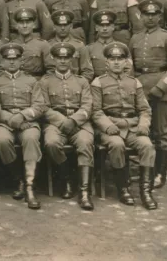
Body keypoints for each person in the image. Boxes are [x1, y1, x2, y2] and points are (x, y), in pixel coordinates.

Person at [91, 42, 157, 210]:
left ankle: (146, 191)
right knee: (117, 144)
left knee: (147, 146)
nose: (116, 62)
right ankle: (123, 188)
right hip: (111, 127)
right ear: (106, 62)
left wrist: (144, 125)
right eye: (112, 59)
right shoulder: (98, 83)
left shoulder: (135, 83)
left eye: (120, 58)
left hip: (134, 127)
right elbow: (96, 111)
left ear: (126, 62)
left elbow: (144, 109)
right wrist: (106, 126)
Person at [129, 0, 167, 189]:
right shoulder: (135, 38)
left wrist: (160, 88)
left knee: (161, 133)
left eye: (154, 14)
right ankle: (145, 170)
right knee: (142, 130)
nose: (150, 18)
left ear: (160, 16)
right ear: (141, 16)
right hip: (139, 90)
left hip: (160, 91)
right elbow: (131, 67)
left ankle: (160, 173)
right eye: (146, 14)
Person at [37, 42, 94, 211]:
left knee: (85, 142)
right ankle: (66, 179)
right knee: (51, 143)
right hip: (56, 123)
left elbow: (87, 106)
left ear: (72, 59)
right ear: (53, 59)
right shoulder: (45, 82)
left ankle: (84, 192)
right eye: (59, 58)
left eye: (66, 57)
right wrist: (63, 121)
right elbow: (44, 107)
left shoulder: (82, 81)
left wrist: (74, 120)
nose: (63, 61)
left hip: (79, 123)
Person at [0, 43, 45, 209]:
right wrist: (11, 119)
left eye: (15, 59)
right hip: (4, 122)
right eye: (8, 59)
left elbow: (39, 106)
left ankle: (29, 186)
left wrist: (22, 116)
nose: (12, 62)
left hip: (27, 122)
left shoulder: (32, 81)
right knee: (1, 140)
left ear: (21, 60)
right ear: (3, 61)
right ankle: (18, 179)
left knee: (31, 139)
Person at [46, 10, 95, 81]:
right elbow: (44, 71)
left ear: (71, 26)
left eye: (65, 25)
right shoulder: (48, 45)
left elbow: (87, 71)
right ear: (54, 26)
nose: (62, 28)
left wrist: (79, 84)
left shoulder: (79, 46)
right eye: (59, 25)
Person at [9, 8, 51, 79]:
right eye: (21, 23)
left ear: (33, 25)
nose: (25, 26)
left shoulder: (43, 45)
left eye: (28, 22)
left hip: (37, 82)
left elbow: (51, 69)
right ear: (16, 26)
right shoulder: (10, 46)